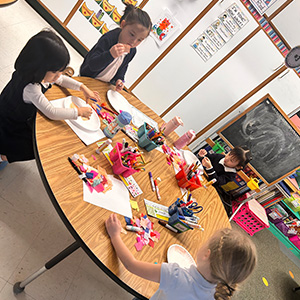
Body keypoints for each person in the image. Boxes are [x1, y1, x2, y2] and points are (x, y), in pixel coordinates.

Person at [0, 29, 100, 169]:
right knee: (38, 146)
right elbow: (51, 112)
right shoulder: (31, 88)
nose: (58, 76)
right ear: (38, 67)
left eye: (60, 71)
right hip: (8, 125)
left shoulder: (38, 75)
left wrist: (83, 87)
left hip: (16, 115)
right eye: (55, 72)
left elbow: (61, 80)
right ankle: (3, 155)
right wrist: (78, 112)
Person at [105, 213, 257, 300]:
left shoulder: (175, 275)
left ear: (206, 254)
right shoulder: (216, 295)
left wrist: (115, 235)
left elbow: (131, 265)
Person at [80, 4, 152, 92]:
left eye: (139, 40)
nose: (133, 42)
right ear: (123, 25)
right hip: (87, 78)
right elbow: (92, 64)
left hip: (103, 85)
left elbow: (123, 66)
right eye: (132, 34)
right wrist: (110, 54)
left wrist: (120, 79)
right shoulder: (109, 38)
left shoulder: (132, 50)